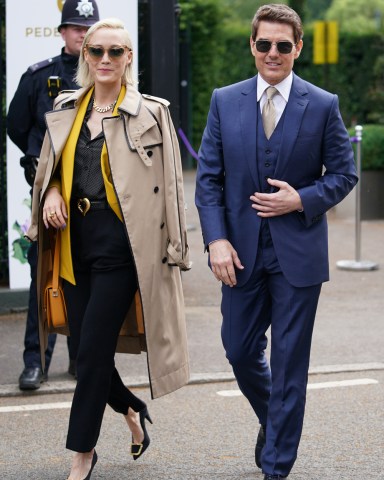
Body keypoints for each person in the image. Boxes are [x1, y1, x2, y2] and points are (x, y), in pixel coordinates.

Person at [195, 4, 358, 479]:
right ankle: (277, 422)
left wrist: (301, 199)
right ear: (252, 45)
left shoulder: (323, 104)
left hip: (298, 254)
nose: (273, 52)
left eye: (283, 45)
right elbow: (208, 179)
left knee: (289, 364)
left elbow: (344, 174)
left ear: (297, 48)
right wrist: (216, 241)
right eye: (264, 43)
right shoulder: (225, 100)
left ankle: (276, 466)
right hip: (240, 253)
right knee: (239, 350)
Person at [26, 17, 191, 480]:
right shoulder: (66, 108)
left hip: (123, 243)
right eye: (96, 51)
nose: (104, 59)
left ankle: (82, 454)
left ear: (128, 58)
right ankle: (131, 409)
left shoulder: (151, 111)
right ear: (85, 56)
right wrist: (52, 194)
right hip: (72, 241)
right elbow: (48, 172)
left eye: (115, 52)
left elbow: (171, 185)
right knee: (84, 351)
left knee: (93, 351)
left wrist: (178, 248)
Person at [7, 0, 100, 390]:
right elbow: (16, 125)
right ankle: (36, 361)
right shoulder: (38, 76)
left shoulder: (106, 75)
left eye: (88, 27)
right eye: (76, 27)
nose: (82, 34)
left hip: (92, 194)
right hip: (47, 193)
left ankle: (81, 358)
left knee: (87, 276)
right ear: (62, 31)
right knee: (43, 275)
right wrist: (41, 168)